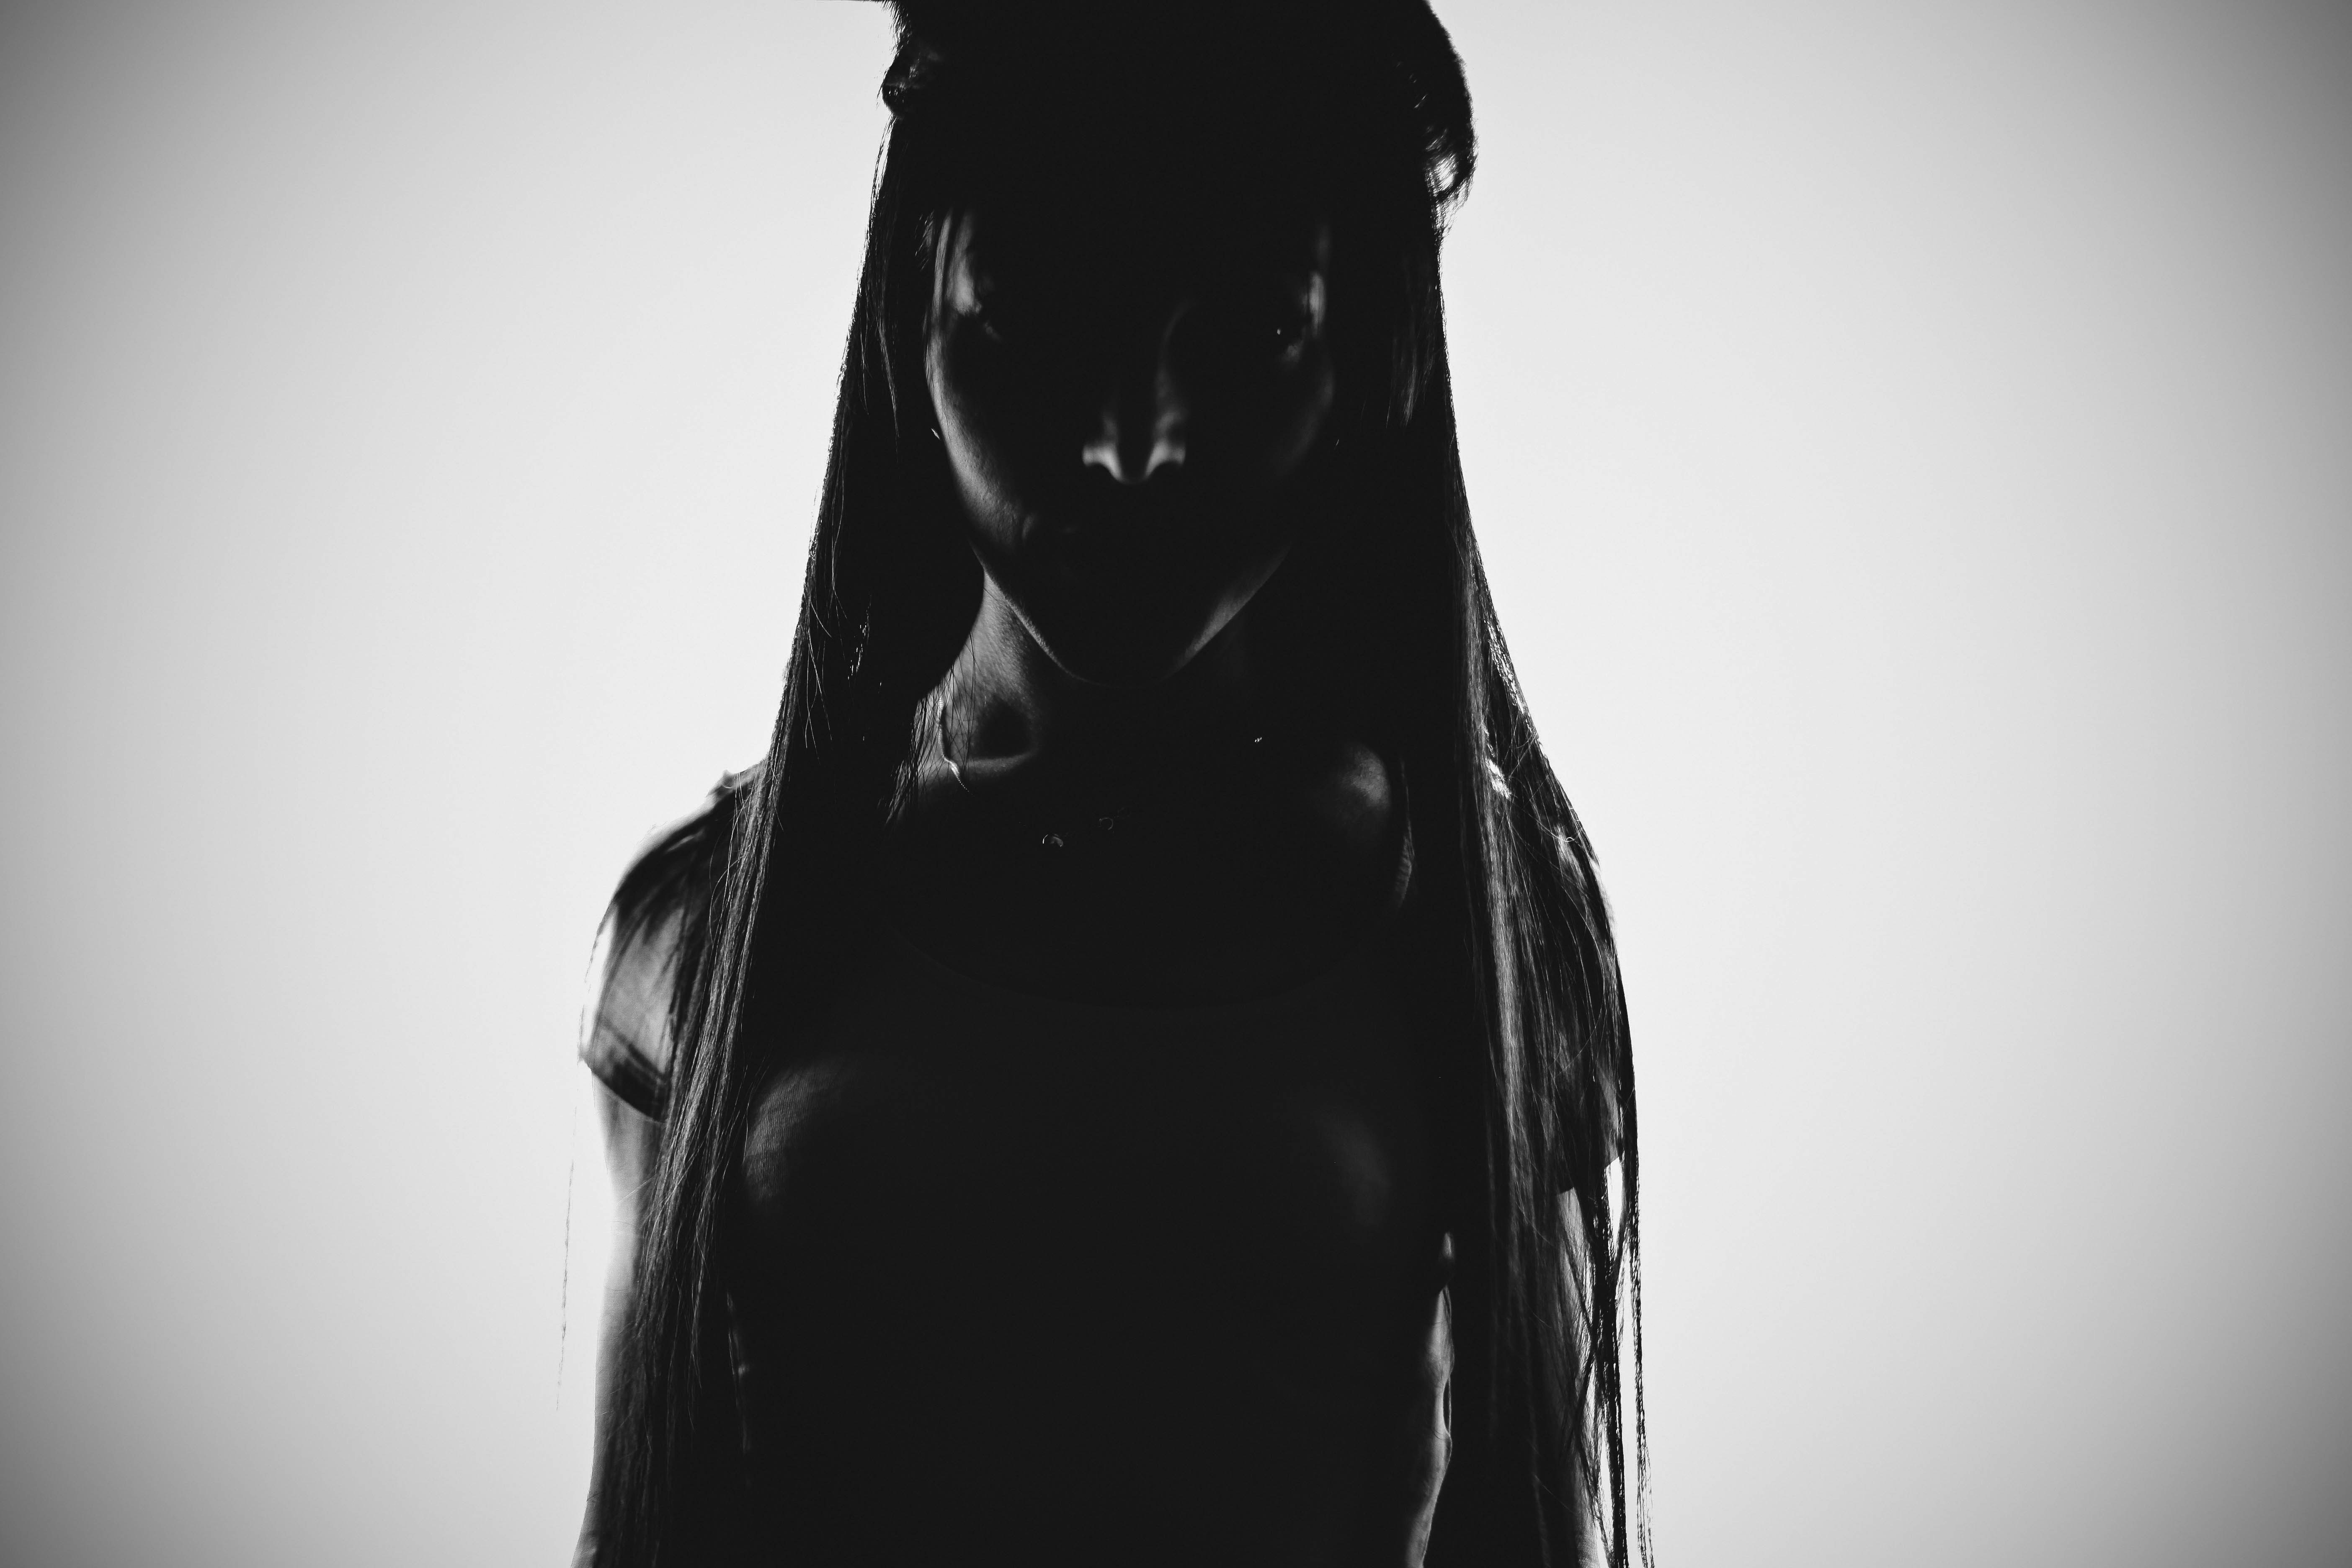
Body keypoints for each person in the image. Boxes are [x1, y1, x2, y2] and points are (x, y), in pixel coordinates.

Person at [576, 3, 1644, 1564]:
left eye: (1246, 333)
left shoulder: (1481, 935)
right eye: (1037, 319)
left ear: (1374, 362)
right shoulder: (709, 934)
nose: (1131, 441)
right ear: (908, 319)